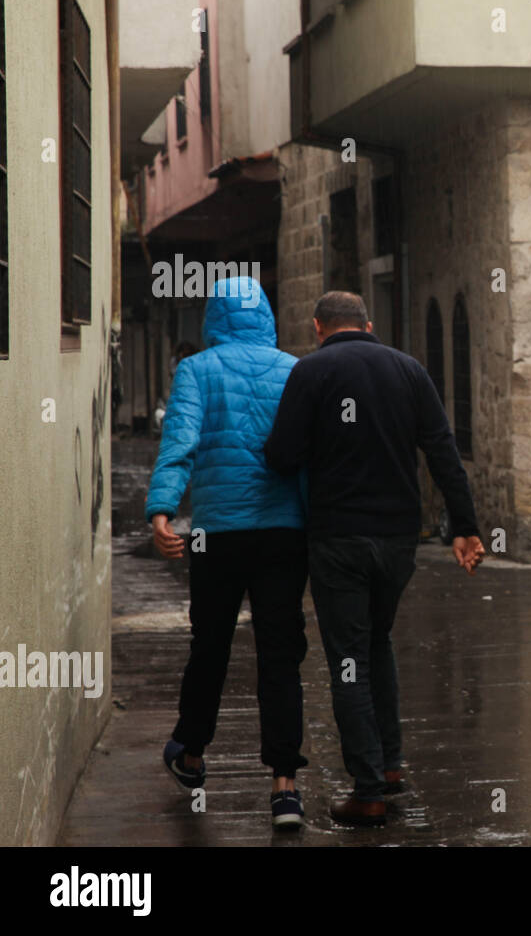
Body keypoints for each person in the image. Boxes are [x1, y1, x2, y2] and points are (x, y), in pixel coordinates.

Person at [265, 291, 485, 828]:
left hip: (339, 539)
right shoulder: (409, 371)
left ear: (318, 327)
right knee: (376, 641)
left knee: (348, 658)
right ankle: (388, 765)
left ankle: (367, 791)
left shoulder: (311, 372)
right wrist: (466, 528)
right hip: (397, 540)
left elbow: (281, 455)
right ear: (370, 324)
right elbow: (441, 451)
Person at [145, 276, 310, 831]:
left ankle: (191, 753)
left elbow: (180, 442)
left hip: (218, 535)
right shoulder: (293, 371)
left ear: (213, 318)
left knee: (210, 644)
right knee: (280, 653)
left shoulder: (196, 371)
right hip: (284, 533)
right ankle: (285, 787)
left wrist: (162, 510)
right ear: (266, 316)